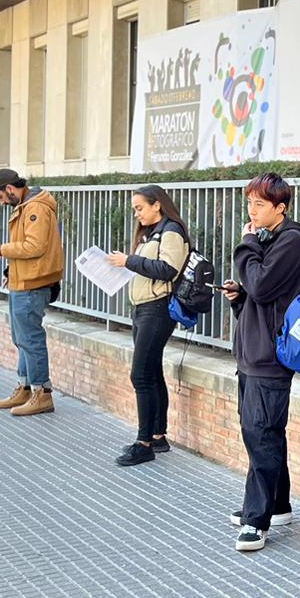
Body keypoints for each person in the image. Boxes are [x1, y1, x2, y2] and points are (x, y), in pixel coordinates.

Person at [220, 173, 300, 553]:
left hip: (270, 357)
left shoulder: (292, 241)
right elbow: (260, 296)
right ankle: (278, 504)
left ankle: (256, 521)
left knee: (259, 432)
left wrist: (245, 246)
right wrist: (238, 297)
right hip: (254, 352)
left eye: (259, 204)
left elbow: (261, 284)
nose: (252, 211)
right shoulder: (271, 240)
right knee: (265, 430)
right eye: (249, 203)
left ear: (281, 207)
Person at [107, 186, 191, 467]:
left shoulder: (171, 231)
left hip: (158, 309)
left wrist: (130, 260)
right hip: (143, 308)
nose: (136, 213)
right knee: (152, 372)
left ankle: (143, 444)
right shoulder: (151, 232)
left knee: (140, 375)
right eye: (135, 208)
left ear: (158, 205)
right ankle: (157, 435)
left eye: (140, 207)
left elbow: (168, 269)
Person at [0, 168, 66, 417]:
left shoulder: (36, 208)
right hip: (23, 279)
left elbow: (35, 246)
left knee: (30, 339)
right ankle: (25, 387)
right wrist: (11, 270)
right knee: (21, 338)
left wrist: (1, 250)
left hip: (33, 283)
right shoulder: (27, 206)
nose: (0, 203)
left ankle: (42, 393)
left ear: (10, 188)